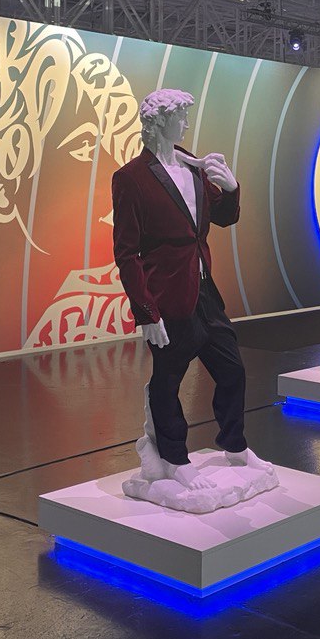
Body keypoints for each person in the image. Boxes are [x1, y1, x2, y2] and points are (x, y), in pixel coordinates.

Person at [111, 88, 270, 497]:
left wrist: (231, 188)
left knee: (232, 368)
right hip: (167, 295)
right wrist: (147, 313)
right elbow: (127, 253)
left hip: (203, 289)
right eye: (180, 116)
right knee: (168, 380)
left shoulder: (193, 165)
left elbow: (223, 217)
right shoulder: (131, 178)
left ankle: (234, 445)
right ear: (158, 122)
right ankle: (174, 459)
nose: (186, 123)